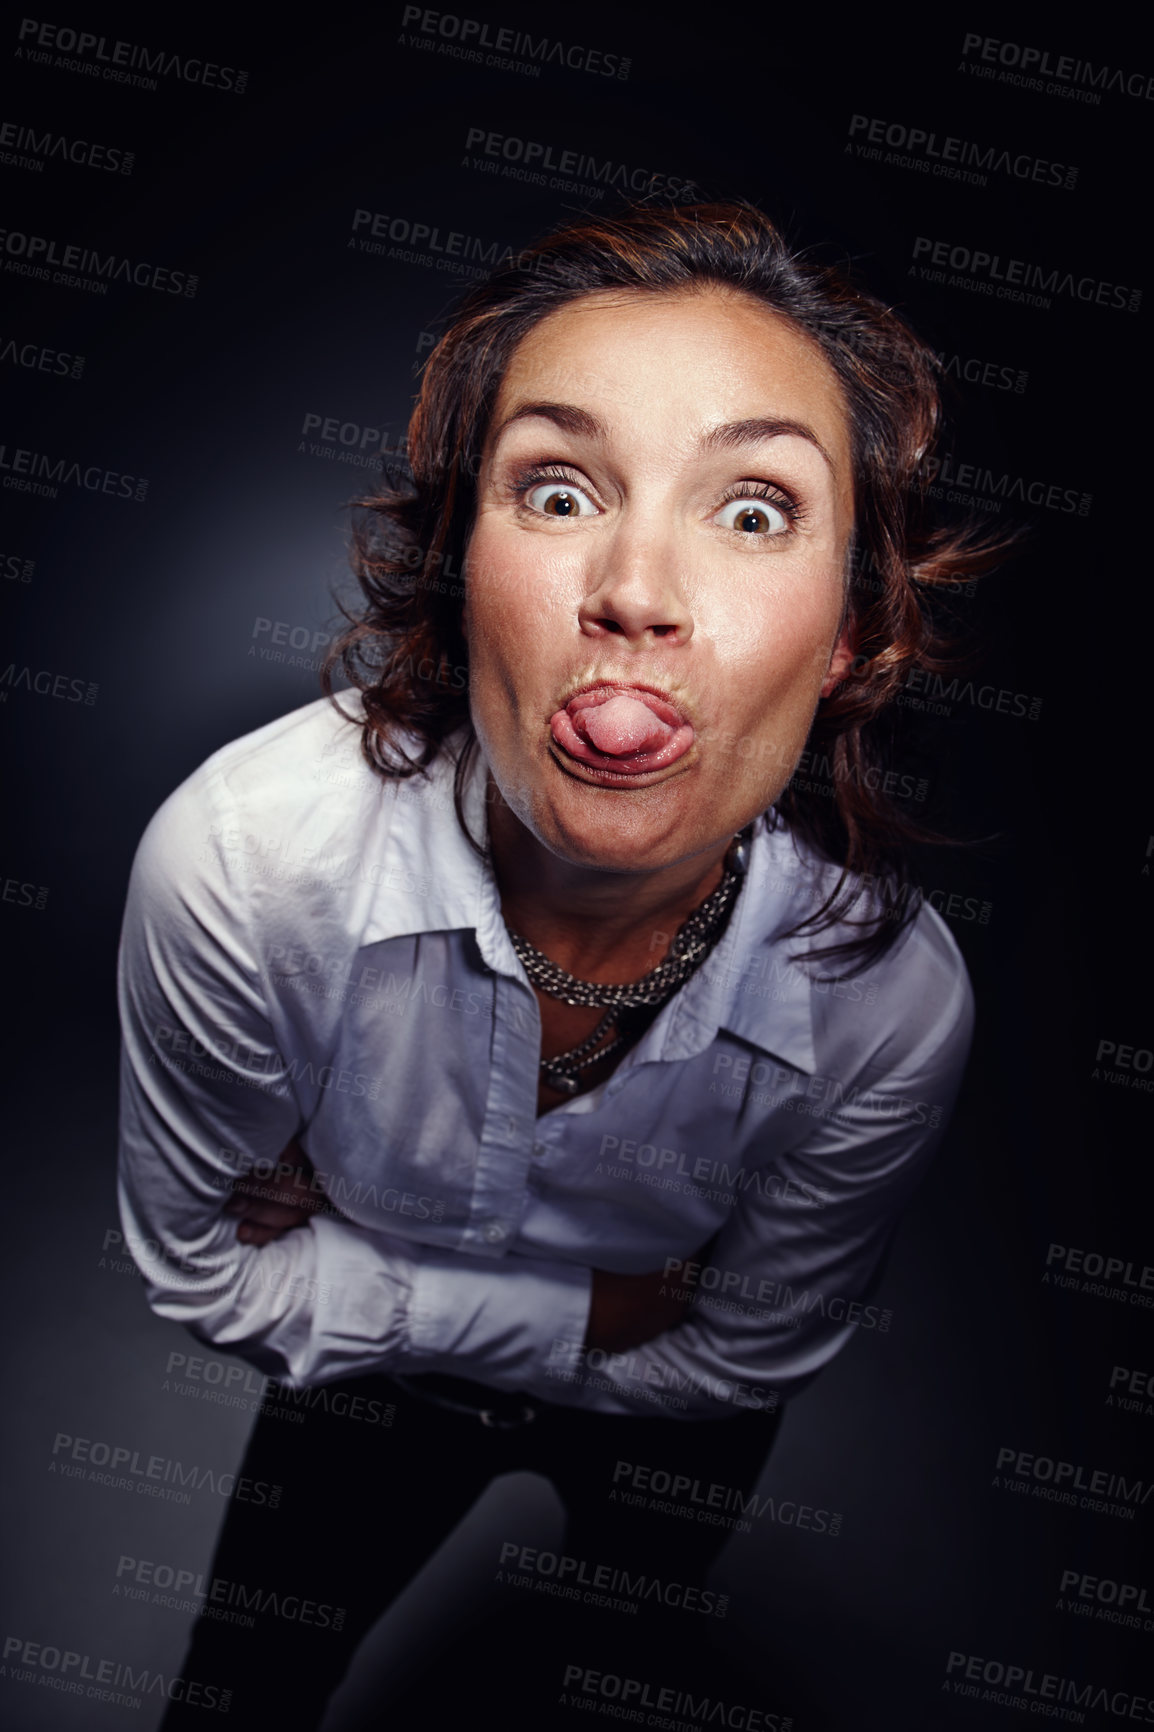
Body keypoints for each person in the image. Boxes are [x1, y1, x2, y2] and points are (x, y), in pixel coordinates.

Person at [118, 202, 1004, 1727]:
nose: (637, 592)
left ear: (854, 634)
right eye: (554, 487)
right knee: (236, 1697)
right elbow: (196, 1267)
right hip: (359, 1397)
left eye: (753, 512)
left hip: (657, 1426)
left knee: (610, 1694)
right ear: (463, 562)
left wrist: (357, 1261)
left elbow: (740, 1360)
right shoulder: (246, 863)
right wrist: (597, 1307)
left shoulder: (888, 1005)